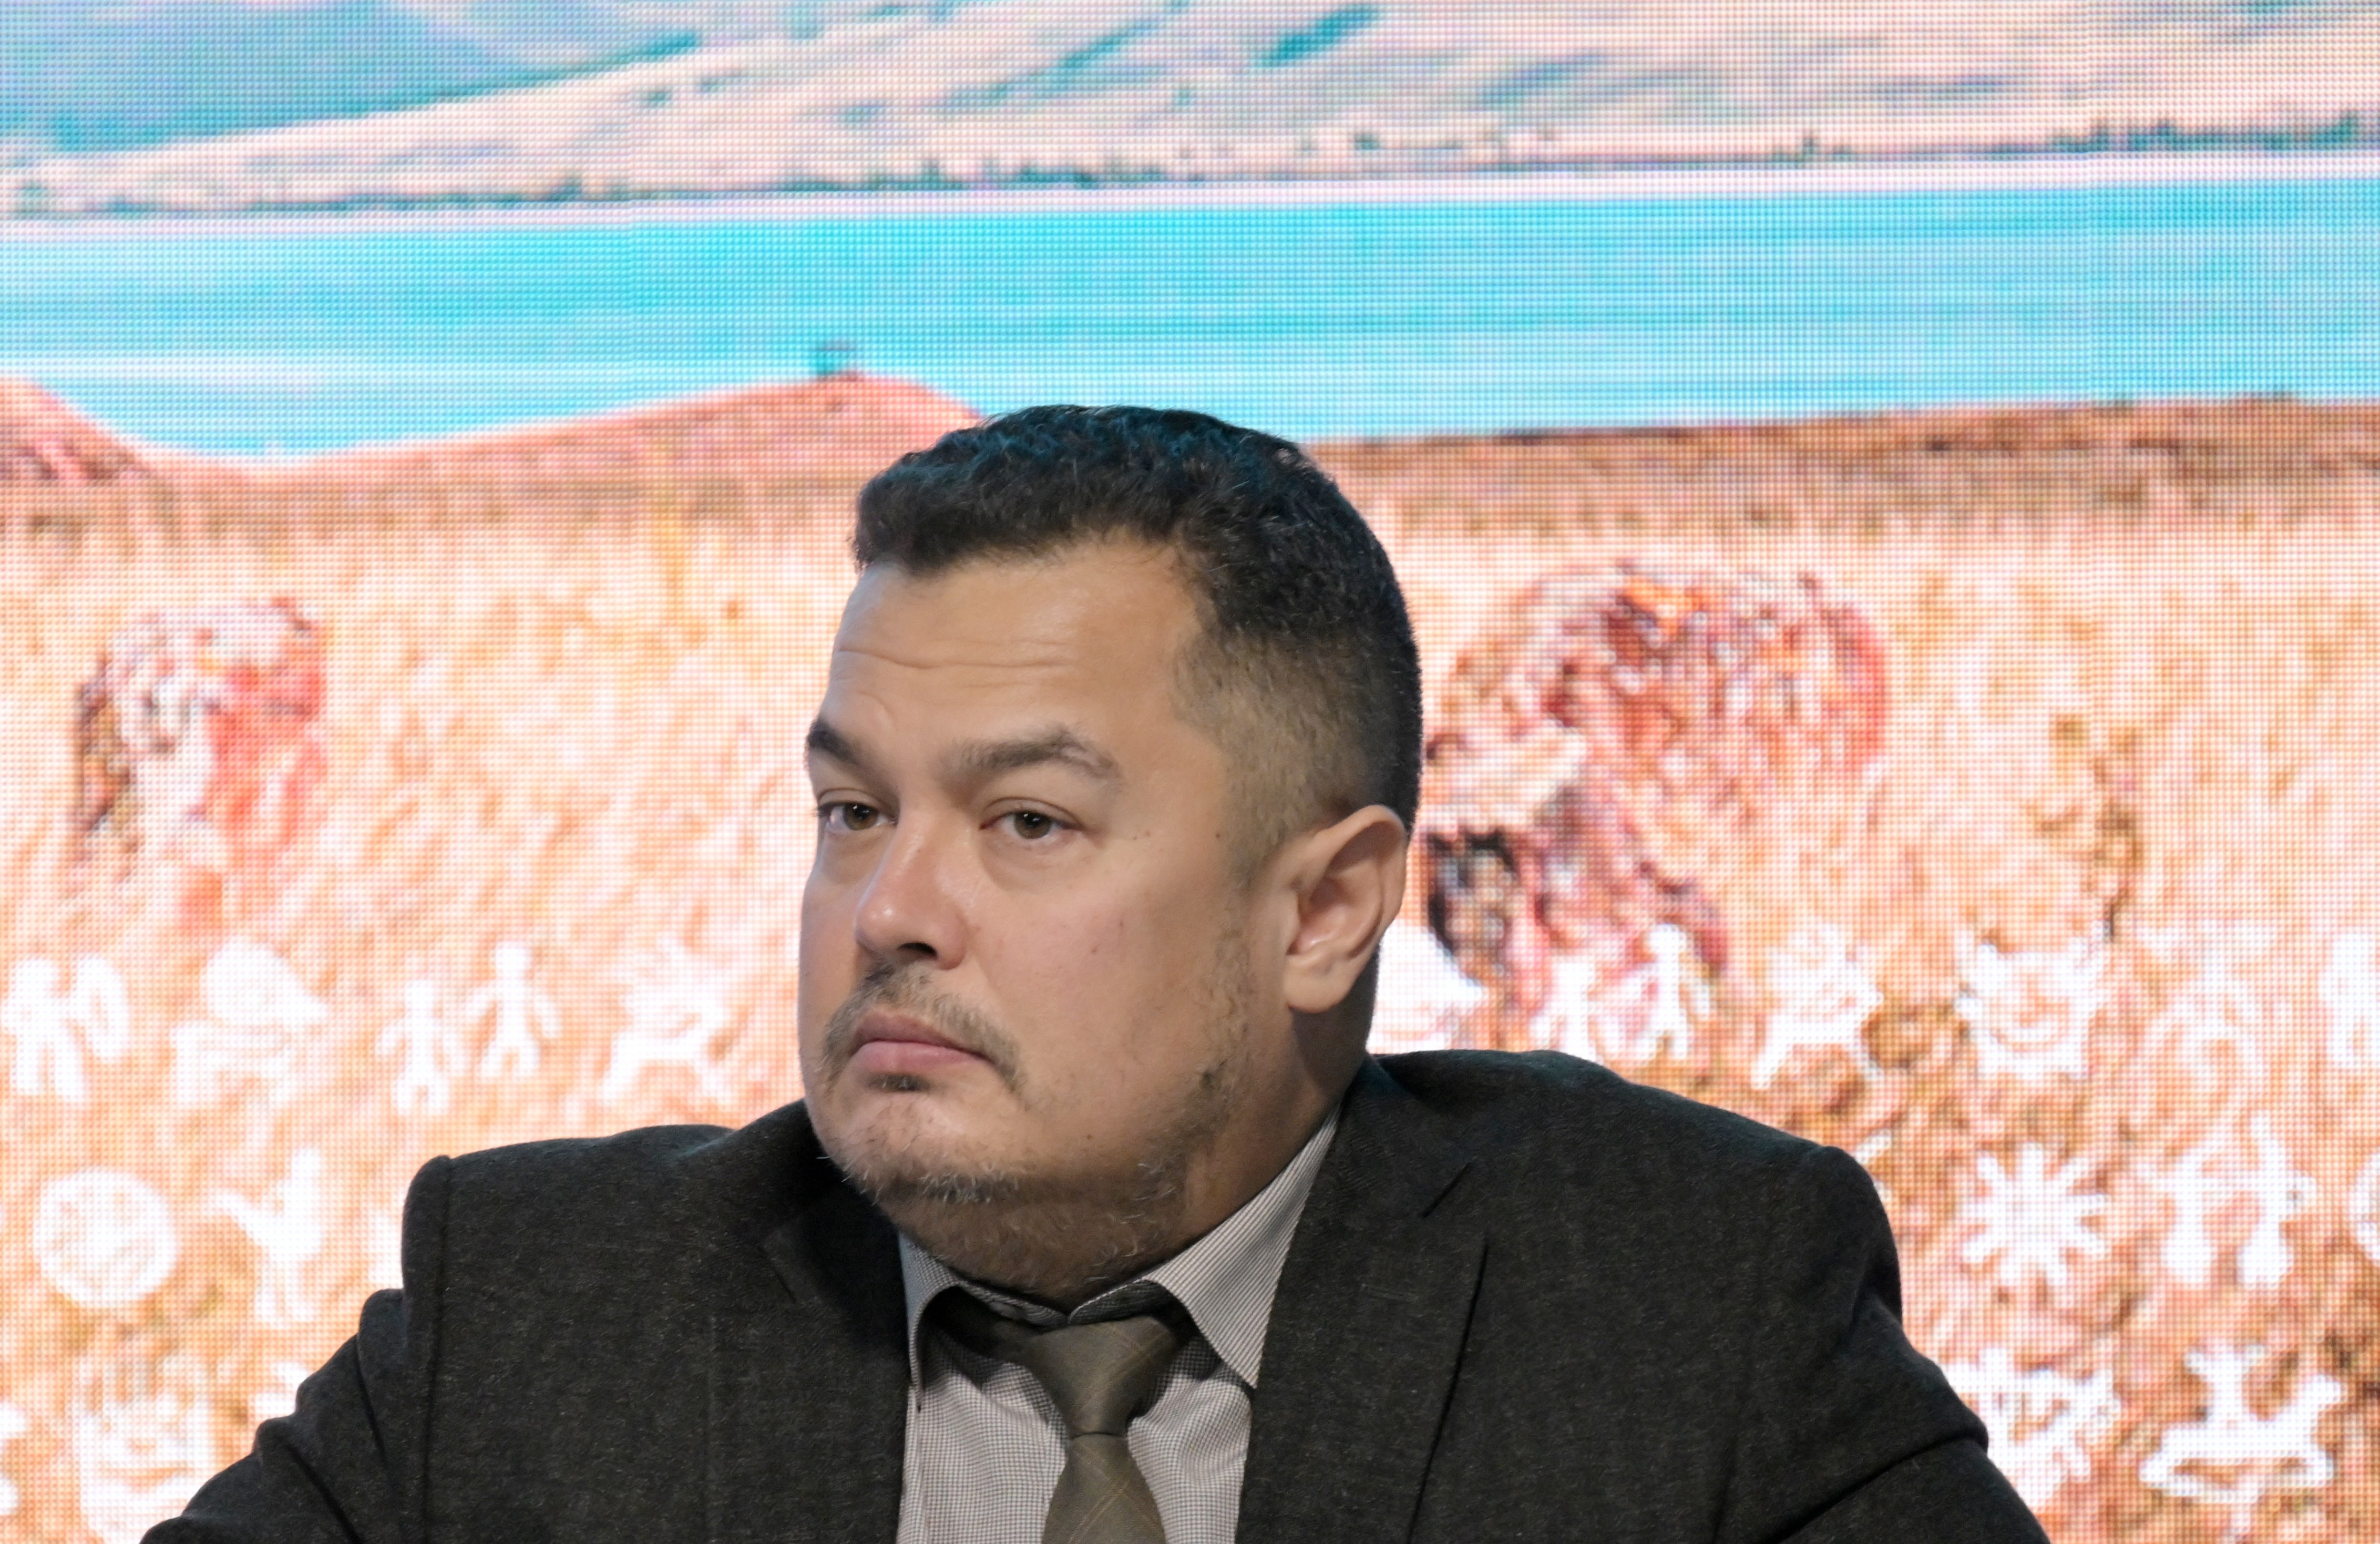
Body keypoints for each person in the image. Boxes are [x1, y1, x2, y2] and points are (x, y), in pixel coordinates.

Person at [153, 405, 2046, 1543]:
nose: (891, 908)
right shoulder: (542, 1311)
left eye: (1028, 823)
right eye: (851, 811)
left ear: (1325, 908)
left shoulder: (1682, 1306)